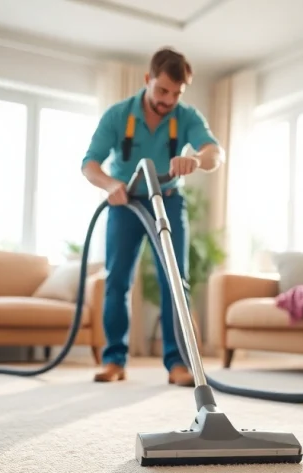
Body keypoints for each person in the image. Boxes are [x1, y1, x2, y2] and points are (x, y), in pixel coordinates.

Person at [80, 47, 225, 386]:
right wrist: (110, 184)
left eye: (176, 93)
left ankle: (178, 363)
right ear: (148, 80)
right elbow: (89, 164)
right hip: (126, 202)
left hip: (169, 200)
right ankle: (114, 360)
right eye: (162, 90)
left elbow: (215, 152)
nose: (168, 99)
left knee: (175, 280)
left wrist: (197, 160)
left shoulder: (186, 116)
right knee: (117, 280)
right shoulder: (118, 115)